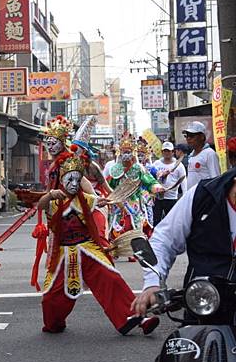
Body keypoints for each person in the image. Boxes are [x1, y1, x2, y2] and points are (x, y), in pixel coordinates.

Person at [35, 151, 158, 335]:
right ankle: (54, 323)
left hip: (87, 249)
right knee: (51, 297)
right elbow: (40, 205)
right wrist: (50, 194)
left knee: (111, 278)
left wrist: (116, 202)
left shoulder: (86, 199)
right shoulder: (55, 201)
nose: (73, 183)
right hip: (63, 253)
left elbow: (101, 202)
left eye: (77, 179)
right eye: (69, 179)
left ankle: (137, 317)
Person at [132, 166, 236, 317]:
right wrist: (153, 283)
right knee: (185, 339)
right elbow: (165, 239)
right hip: (203, 305)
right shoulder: (203, 194)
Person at [102, 134, 164, 258]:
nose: (126, 154)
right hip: (118, 203)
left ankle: (134, 252)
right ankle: (116, 250)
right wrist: (108, 198)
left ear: (132, 153)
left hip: (134, 203)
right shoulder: (115, 169)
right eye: (124, 152)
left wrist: (158, 188)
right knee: (116, 227)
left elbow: (150, 182)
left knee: (135, 227)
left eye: (128, 152)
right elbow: (109, 186)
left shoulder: (139, 169)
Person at [152, 142, 188, 226]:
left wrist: (185, 196)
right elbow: (150, 178)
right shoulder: (156, 164)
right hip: (157, 198)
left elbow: (183, 181)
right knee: (156, 221)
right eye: (165, 151)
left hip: (171, 198)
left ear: (173, 152)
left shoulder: (179, 165)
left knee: (171, 222)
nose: (167, 153)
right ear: (162, 152)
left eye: (169, 151)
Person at [183, 121, 220, 190]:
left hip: (204, 198)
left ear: (202, 137)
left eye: (192, 136)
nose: (188, 138)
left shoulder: (209, 154)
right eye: (187, 136)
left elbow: (216, 180)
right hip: (193, 197)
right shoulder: (191, 155)